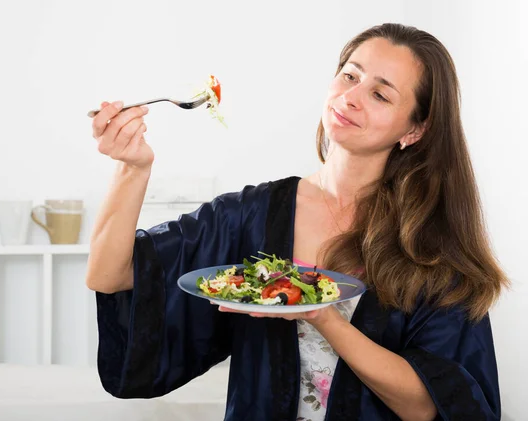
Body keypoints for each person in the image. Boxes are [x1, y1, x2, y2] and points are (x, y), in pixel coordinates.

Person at [86, 23, 508, 421]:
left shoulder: (427, 245)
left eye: (381, 95)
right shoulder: (251, 214)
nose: (352, 97)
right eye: (350, 76)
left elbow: (425, 407)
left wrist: (323, 317)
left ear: (414, 129)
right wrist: (132, 168)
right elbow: (109, 275)